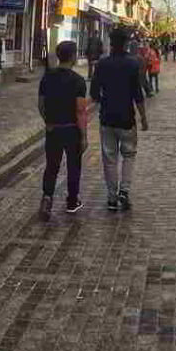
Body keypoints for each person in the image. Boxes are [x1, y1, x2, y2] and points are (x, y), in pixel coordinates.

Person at [90, 28, 149, 211]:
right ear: (126, 43)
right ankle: (124, 190)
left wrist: (105, 101)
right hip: (127, 118)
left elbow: (93, 93)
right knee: (129, 155)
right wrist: (143, 118)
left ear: (110, 43)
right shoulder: (132, 64)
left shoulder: (101, 64)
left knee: (110, 158)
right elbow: (137, 94)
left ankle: (111, 198)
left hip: (107, 118)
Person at [37, 41, 88, 220]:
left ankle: (47, 197)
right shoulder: (78, 81)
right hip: (72, 129)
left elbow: (41, 104)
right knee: (74, 166)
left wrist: (48, 120)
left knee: (52, 166)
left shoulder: (47, 77)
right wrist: (83, 136)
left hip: (53, 129)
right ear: (73, 56)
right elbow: (80, 110)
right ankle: (72, 201)